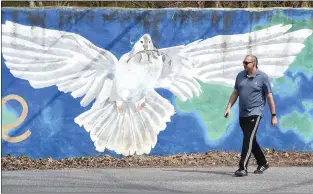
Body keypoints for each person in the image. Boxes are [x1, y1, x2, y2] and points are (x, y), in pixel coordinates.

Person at [224, 54, 278, 177]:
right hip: (242, 114)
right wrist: (228, 108)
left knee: (247, 139)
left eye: (246, 63)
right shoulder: (240, 75)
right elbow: (235, 92)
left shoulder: (262, 77)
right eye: (243, 62)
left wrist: (273, 115)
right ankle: (263, 162)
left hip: (255, 112)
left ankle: (243, 168)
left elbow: (269, 97)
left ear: (254, 63)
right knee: (251, 140)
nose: (244, 64)